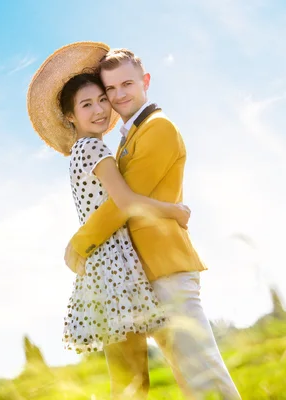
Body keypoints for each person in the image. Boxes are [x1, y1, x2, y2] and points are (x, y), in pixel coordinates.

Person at [63, 47, 242, 399]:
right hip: (145, 277)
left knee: (205, 378)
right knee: (191, 385)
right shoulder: (127, 138)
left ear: (145, 82)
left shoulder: (157, 129)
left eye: (125, 84)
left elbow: (122, 206)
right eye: (110, 89)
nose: (117, 96)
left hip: (166, 269)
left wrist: (79, 244)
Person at [27, 42, 193, 399]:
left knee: (128, 381)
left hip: (105, 269)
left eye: (102, 99)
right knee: (136, 382)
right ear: (70, 116)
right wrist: (175, 211)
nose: (101, 109)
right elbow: (128, 202)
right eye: (87, 105)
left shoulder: (79, 153)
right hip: (115, 269)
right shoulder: (96, 149)